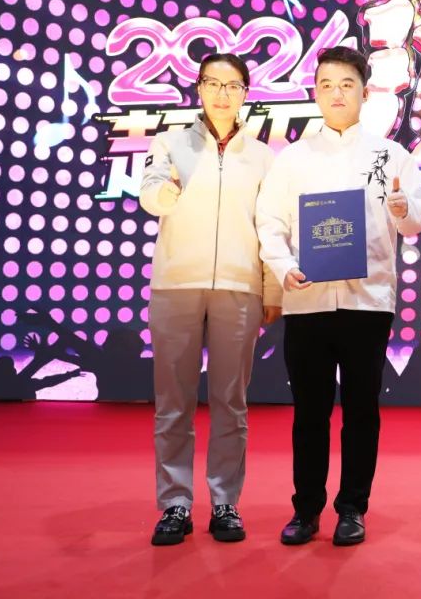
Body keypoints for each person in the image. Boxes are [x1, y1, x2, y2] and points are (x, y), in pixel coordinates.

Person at [257, 46, 421, 547]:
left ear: (365, 92)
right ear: (315, 92)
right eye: (327, 85)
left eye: (347, 85)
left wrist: (401, 207)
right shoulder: (292, 158)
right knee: (309, 412)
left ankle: (352, 507)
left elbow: (418, 222)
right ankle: (306, 509)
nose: (336, 94)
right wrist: (285, 268)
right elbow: (270, 222)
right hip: (307, 302)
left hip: (367, 303)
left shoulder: (391, 155)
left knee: (361, 412)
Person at [140, 53, 282, 546]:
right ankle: (174, 504)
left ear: (246, 93)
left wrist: (271, 288)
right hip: (176, 284)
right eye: (213, 83)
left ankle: (225, 502)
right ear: (198, 88)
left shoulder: (263, 156)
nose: (222, 94)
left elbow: (271, 228)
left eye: (233, 85)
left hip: (240, 288)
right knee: (173, 403)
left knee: (230, 402)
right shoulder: (170, 143)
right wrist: (165, 193)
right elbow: (150, 192)